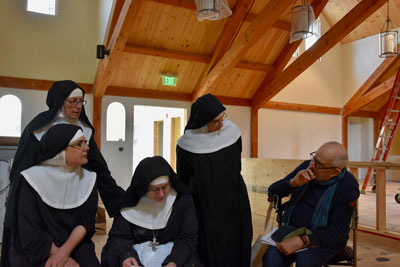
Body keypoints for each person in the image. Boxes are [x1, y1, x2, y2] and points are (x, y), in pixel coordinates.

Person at [1, 80, 124, 266]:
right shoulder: (38, 129)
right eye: (72, 102)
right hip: (40, 206)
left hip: (74, 199)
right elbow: (23, 167)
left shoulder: (85, 132)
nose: (77, 107)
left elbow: (101, 172)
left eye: (81, 102)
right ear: (59, 101)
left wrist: (124, 204)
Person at [176, 93, 252, 267]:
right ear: (201, 123)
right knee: (211, 252)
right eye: (215, 122)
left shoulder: (232, 133)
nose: (221, 125)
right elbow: (184, 178)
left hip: (235, 202)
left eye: (222, 118)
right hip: (206, 208)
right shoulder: (186, 145)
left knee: (239, 245)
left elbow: (236, 165)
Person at [7, 124, 100, 266]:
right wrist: (61, 258)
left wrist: (64, 253)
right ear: (60, 151)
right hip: (38, 246)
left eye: (85, 142)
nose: (86, 147)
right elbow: (29, 228)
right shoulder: (31, 179)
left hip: (74, 245)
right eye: (79, 144)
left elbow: (85, 223)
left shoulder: (89, 179)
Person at [262, 141, 360, 267]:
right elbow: (272, 191)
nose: (312, 165)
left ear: (335, 172)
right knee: (272, 259)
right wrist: (292, 183)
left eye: (318, 165)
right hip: (292, 230)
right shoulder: (306, 167)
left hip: (322, 237)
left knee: (306, 262)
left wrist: (303, 240)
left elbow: (338, 234)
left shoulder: (348, 186)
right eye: (314, 158)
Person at [101, 156, 202, 267]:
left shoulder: (183, 200)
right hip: (137, 253)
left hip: (175, 253)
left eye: (165, 187)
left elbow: (187, 238)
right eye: (155, 189)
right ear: (143, 187)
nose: (161, 194)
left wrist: (174, 262)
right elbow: (119, 237)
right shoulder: (129, 203)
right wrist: (127, 256)